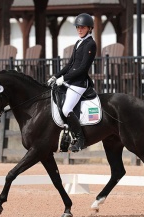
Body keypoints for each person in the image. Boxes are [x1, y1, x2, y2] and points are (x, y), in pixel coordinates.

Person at [47, 13, 97, 152]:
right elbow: (69, 65)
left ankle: (80, 139)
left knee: (66, 109)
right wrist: (55, 76)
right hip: (70, 81)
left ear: (89, 28)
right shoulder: (78, 42)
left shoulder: (90, 44)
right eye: (77, 27)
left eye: (82, 27)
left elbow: (82, 69)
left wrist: (64, 79)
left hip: (79, 83)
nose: (79, 29)